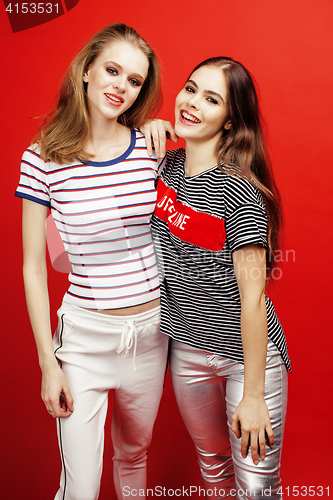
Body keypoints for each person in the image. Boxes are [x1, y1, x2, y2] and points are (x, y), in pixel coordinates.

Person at [15, 23, 174, 500]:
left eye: (134, 80)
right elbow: (33, 266)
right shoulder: (41, 158)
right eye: (111, 70)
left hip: (150, 336)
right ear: (86, 70)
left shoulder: (153, 151)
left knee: (133, 456)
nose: (120, 87)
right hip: (84, 342)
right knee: (81, 486)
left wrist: (167, 129)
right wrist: (49, 362)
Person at [147, 57, 291, 499]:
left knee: (255, 487)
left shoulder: (240, 193)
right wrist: (149, 128)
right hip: (187, 352)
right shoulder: (164, 168)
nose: (191, 103)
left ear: (230, 122)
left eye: (211, 99)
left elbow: (253, 301)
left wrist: (252, 396)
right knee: (214, 474)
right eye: (190, 89)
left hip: (247, 361)